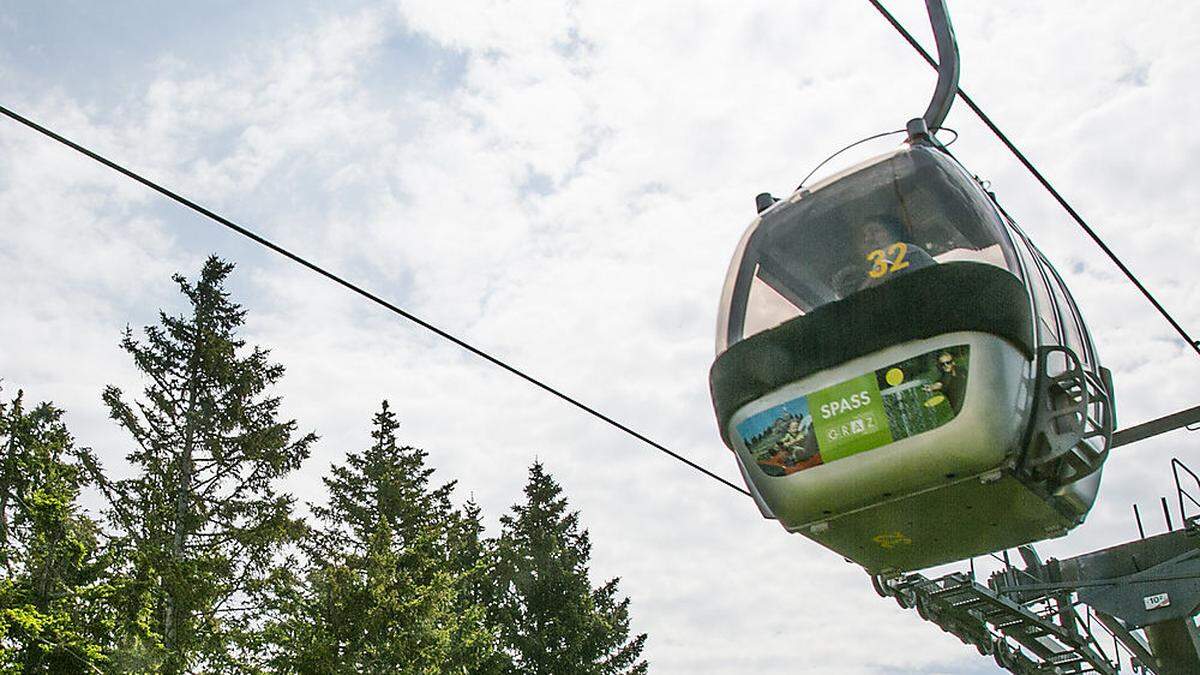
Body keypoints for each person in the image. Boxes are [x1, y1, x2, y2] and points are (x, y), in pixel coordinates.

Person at [832, 214, 935, 298]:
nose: (868, 239)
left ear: (894, 233)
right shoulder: (871, 272)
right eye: (864, 236)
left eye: (875, 231)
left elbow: (874, 285)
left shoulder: (904, 250)